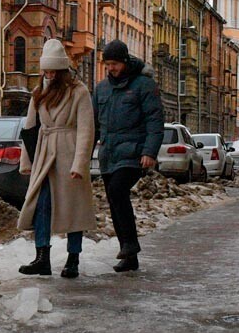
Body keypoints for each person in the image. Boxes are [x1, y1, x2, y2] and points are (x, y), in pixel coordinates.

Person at [16, 40, 96, 279]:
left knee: (73, 208)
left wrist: (80, 163)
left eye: (53, 70)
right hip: (44, 150)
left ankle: (73, 258)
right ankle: (42, 257)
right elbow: (30, 128)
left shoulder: (78, 91)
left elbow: (86, 130)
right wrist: (26, 161)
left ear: (62, 70)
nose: (49, 74)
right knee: (41, 205)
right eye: (46, 70)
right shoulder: (38, 91)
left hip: (68, 151)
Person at [93, 39, 164, 272]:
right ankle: (129, 256)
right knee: (113, 200)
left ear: (124, 61)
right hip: (109, 154)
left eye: (115, 63)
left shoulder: (143, 85)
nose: (111, 68)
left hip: (133, 153)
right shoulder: (101, 89)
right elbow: (94, 124)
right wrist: (83, 154)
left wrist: (149, 152)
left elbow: (154, 120)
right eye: (108, 64)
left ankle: (130, 244)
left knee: (117, 190)